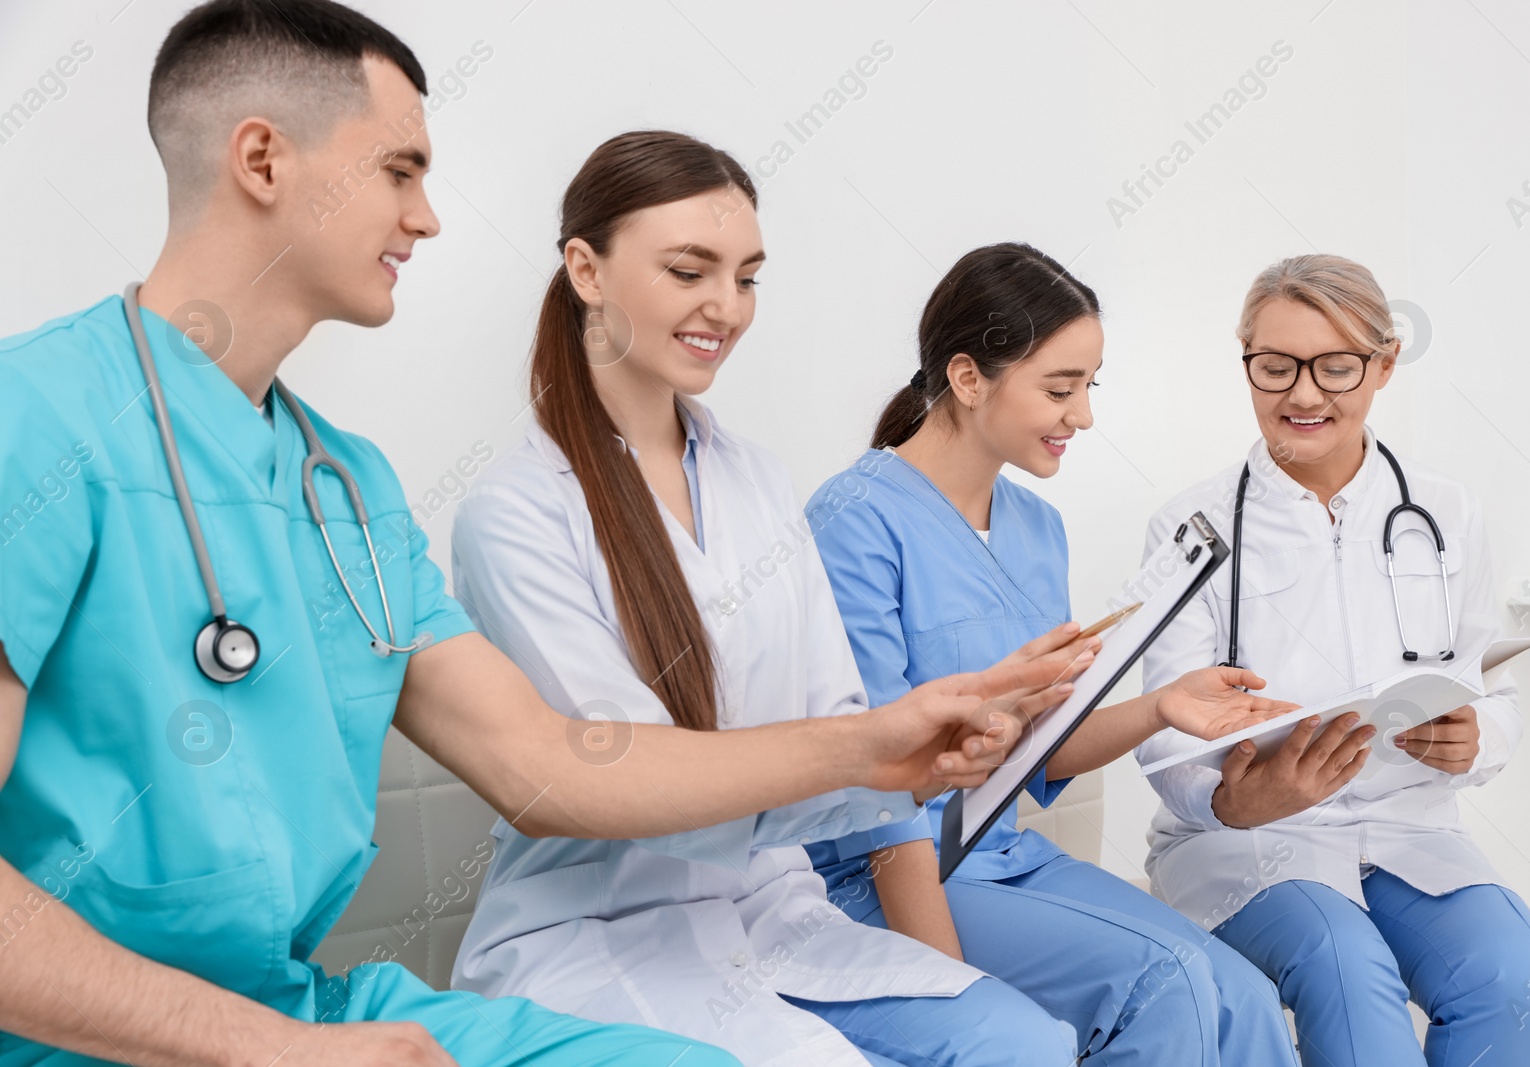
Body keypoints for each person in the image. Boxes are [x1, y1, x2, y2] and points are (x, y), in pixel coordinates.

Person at [0, 5, 1074, 1065]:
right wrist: (264, 1048)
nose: (426, 216)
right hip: (83, 1024)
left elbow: (547, 762)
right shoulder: (34, 418)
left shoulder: (348, 487)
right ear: (263, 159)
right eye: (399, 169)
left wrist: (876, 742)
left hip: (300, 1002)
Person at [446, 131, 1093, 1067]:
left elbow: (834, 720)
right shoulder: (514, 513)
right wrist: (874, 749)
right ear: (585, 269)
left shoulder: (757, 483)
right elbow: (621, 781)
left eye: (747, 277)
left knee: (1024, 1042)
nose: (727, 307)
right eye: (689, 269)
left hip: (773, 912)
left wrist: (925, 755)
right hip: (597, 931)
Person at [801, 242, 1301, 1065]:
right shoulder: (854, 517)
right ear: (968, 378)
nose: (1084, 416)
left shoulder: (1037, 530)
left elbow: (1042, 743)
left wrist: (1160, 705)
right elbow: (873, 785)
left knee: (1241, 994)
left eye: (1087, 388)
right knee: (1167, 980)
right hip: (884, 876)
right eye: (1060, 389)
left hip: (1001, 853)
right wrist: (950, 996)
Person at [1136, 253, 1530, 1066]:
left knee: (1518, 977)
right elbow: (1163, 738)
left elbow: (1493, 685)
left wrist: (1479, 736)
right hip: (1250, 842)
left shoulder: (1445, 512)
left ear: (1385, 364)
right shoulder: (1189, 526)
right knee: (1346, 968)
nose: (1303, 394)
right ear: (1246, 362)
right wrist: (1234, 800)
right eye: (1275, 367)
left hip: (1406, 825)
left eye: (1335, 366)